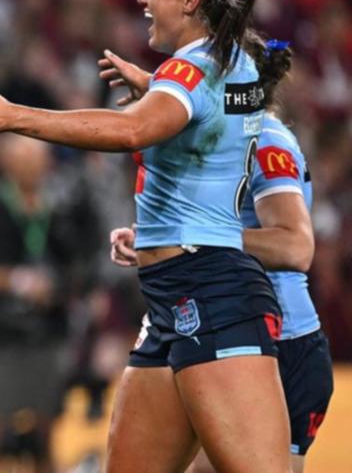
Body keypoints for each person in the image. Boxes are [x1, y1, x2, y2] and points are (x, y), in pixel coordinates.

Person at [0, 0, 289, 472]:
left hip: (212, 291)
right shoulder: (234, 64)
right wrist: (153, 90)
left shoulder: (188, 72)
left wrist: (13, 117)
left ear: (190, 0)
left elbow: (132, 131)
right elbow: (225, 117)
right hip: (173, 293)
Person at [104, 35, 332, 473]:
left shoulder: (265, 139)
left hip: (278, 339)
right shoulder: (224, 132)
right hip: (211, 317)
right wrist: (158, 241)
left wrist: (200, 236)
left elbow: (295, 245)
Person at [0, 135, 95, 473]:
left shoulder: (61, 206)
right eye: (23, 158)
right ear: (7, 163)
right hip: (3, 331)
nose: (31, 165)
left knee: (47, 432)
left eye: (37, 158)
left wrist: (59, 286)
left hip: (49, 329)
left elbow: (81, 265)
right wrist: (15, 281)